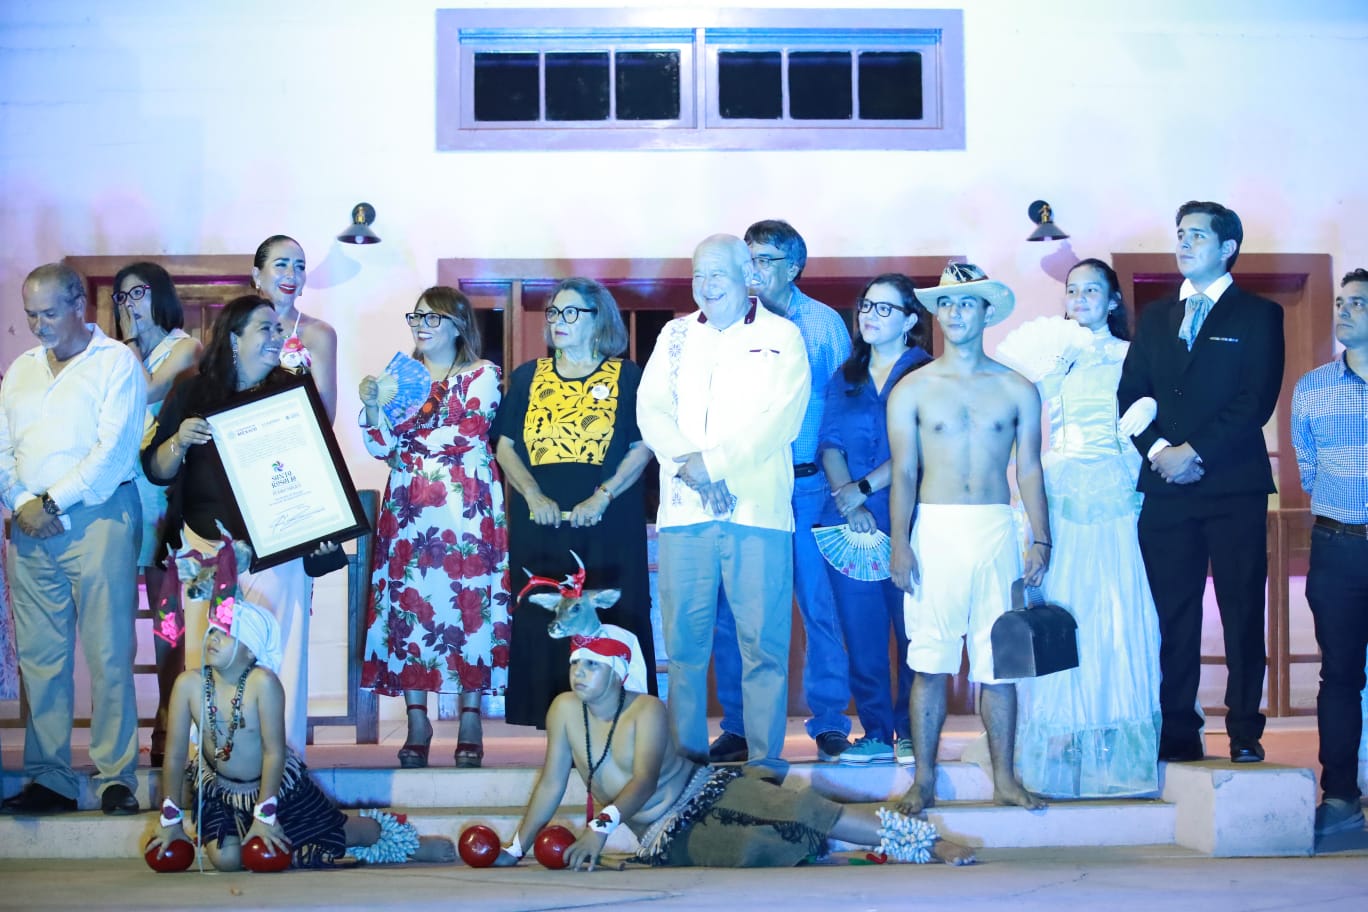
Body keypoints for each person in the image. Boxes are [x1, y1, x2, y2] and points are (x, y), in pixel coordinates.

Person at [492, 626, 975, 870]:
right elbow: (551, 783)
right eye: (576, 664)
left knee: (808, 811)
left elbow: (642, 781)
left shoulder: (646, 711)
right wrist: (516, 848)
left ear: (618, 674)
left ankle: (927, 844)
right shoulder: (562, 711)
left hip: (705, 791)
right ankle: (834, 837)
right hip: (661, 835)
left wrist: (599, 829)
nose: (578, 673)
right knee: (756, 849)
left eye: (591, 666)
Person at [1118, 201, 1285, 764]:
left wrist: (1194, 452)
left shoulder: (1258, 315)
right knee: (1174, 614)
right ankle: (1177, 730)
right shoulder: (1157, 317)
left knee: (1242, 611)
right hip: (1166, 490)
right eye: (1180, 234)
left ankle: (1244, 730)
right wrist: (1160, 452)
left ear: (1227, 247)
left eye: (1196, 235)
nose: (1183, 243)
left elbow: (1255, 401)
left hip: (1233, 486)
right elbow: (1131, 396)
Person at [637, 234, 809, 774]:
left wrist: (714, 465)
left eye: (717, 274)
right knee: (684, 648)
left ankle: (765, 765)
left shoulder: (783, 336)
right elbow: (651, 410)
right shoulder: (675, 335)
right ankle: (686, 763)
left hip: (756, 512)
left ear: (748, 276)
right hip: (685, 511)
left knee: (763, 645)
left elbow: (781, 420)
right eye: (698, 274)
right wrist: (691, 464)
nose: (706, 285)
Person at [887, 262, 1049, 814]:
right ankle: (923, 780)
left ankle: (1005, 778)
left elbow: (1030, 468)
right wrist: (900, 541)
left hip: (995, 529)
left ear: (987, 312)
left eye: (967, 302)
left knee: (999, 665)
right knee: (929, 661)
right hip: (934, 530)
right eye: (947, 303)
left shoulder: (1017, 388)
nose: (955, 312)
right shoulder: (913, 389)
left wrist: (1041, 538)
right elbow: (904, 471)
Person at [143, 296, 334, 758]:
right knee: (206, 660)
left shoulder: (293, 390)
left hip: (277, 552)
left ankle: (282, 774)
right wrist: (179, 440)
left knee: (279, 658)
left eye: (278, 329)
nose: (278, 337)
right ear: (233, 338)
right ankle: (209, 772)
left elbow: (316, 465)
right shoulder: (192, 392)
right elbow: (157, 469)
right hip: (205, 551)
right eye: (265, 329)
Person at [999, 259, 1162, 797]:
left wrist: (1150, 410)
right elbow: (1024, 427)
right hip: (1062, 484)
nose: (1081, 298)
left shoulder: (1133, 355)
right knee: (1063, 605)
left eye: (1093, 290)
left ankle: (1112, 737)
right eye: (1073, 291)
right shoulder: (1054, 358)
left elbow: (1151, 414)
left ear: (1113, 300)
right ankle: (1060, 736)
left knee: (1115, 610)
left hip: (1116, 483)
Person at [147, 597, 457, 869]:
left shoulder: (263, 684)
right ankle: (292, 849)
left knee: (334, 832)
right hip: (221, 790)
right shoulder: (188, 684)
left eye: (226, 634)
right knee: (226, 861)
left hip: (278, 789)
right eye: (212, 630)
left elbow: (274, 753)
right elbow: (174, 756)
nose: (213, 638)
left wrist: (265, 814)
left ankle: (399, 842)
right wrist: (170, 817)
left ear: (250, 651)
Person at [0, 263, 146, 816]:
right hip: (29, 524)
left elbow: (114, 451)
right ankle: (51, 779)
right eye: (30, 315)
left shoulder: (115, 363)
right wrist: (21, 501)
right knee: (41, 658)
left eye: (49, 313)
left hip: (97, 516)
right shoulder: (21, 369)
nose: (39, 325)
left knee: (109, 653)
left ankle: (116, 778)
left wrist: (52, 502)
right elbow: (3, 449)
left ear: (78, 305)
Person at [709, 219, 853, 764]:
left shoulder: (823, 324)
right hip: (745, 485)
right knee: (735, 610)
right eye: (747, 259)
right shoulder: (729, 321)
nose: (752, 270)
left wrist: (844, 485)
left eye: (765, 259)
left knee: (819, 606)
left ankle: (831, 721)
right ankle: (739, 726)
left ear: (793, 267)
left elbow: (841, 405)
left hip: (807, 485)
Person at [357, 286, 511, 768]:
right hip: (408, 506)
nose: (421, 326)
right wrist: (373, 408)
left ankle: (471, 717)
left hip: (465, 503)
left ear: (458, 324)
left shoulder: (482, 374)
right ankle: (417, 719)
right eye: (417, 317)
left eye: (432, 318)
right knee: (411, 605)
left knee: (470, 605)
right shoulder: (398, 377)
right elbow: (380, 447)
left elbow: (466, 430)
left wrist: (407, 439)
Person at [494, 278, 656, 730]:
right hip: (540, 518)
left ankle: (620, 720)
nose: (558, 322)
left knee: (612, 612)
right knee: (544, 612)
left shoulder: (628, 376)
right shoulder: (528, 376)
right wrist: (532, 493)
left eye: (571, 313)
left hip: (608, 518)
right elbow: (505, 446)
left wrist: (603, 495)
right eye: (553, 313)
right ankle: (552, 721)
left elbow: (643, 446)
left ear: (598, 319)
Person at [816, 274, 931, 763]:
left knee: (914, 632)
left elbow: (920, 447)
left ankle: (912, 730)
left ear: (909, 320)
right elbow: (829, 443)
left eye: (885, 308)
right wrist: (849, 498)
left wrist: (864, 489)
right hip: (850, 525)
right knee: (861, 634)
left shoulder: (927, 373)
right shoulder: (845, 376)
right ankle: (877, 733)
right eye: (866, 305)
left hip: (913, 519)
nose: (870, 315)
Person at [113, 261, 202, 766]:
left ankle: (169, 717)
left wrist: (130, 344)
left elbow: (143, 392)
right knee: (116, 620)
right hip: (118, 493)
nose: (130, 305)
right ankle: (120, 730)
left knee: (168, 617)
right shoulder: (115, 354)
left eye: (139, 293)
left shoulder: (184, 347)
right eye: (122, 297)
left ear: (161, 295)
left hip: (161, 496)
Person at [1290, 267, 1368, 837]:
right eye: (1340, 302)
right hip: (1338, 545)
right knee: (1339, 674)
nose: (1343, 311)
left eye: (1358, 303)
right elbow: (1308, 468)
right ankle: (1340, 797)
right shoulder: (1313, 387)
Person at [251, 235, 338, 421]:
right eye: (281, 265)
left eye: (300, 267)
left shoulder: (319, 333)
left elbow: (326, 415)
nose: (292, 274)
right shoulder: (235, 327)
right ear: (257, 275)